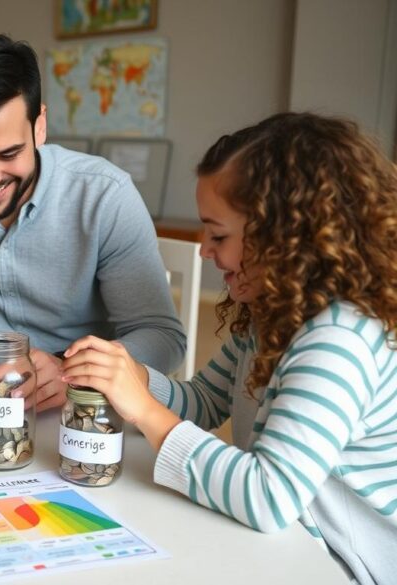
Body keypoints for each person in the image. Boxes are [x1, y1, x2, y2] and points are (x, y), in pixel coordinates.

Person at [61, 113, 397, 584]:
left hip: (341, 565)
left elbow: (269, 496)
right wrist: (132, 377)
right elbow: (203, 402)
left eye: (218, 235)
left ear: (283, 235)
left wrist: (147, 413)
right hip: (283, 548)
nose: (204, 251)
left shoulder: (338, 339)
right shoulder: (272, 313)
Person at [0, 34, 185, 410]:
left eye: (8, 153)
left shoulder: (104, 196)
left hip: (87, 411)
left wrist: (72, 372)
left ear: (39, 125)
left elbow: (164, 338)